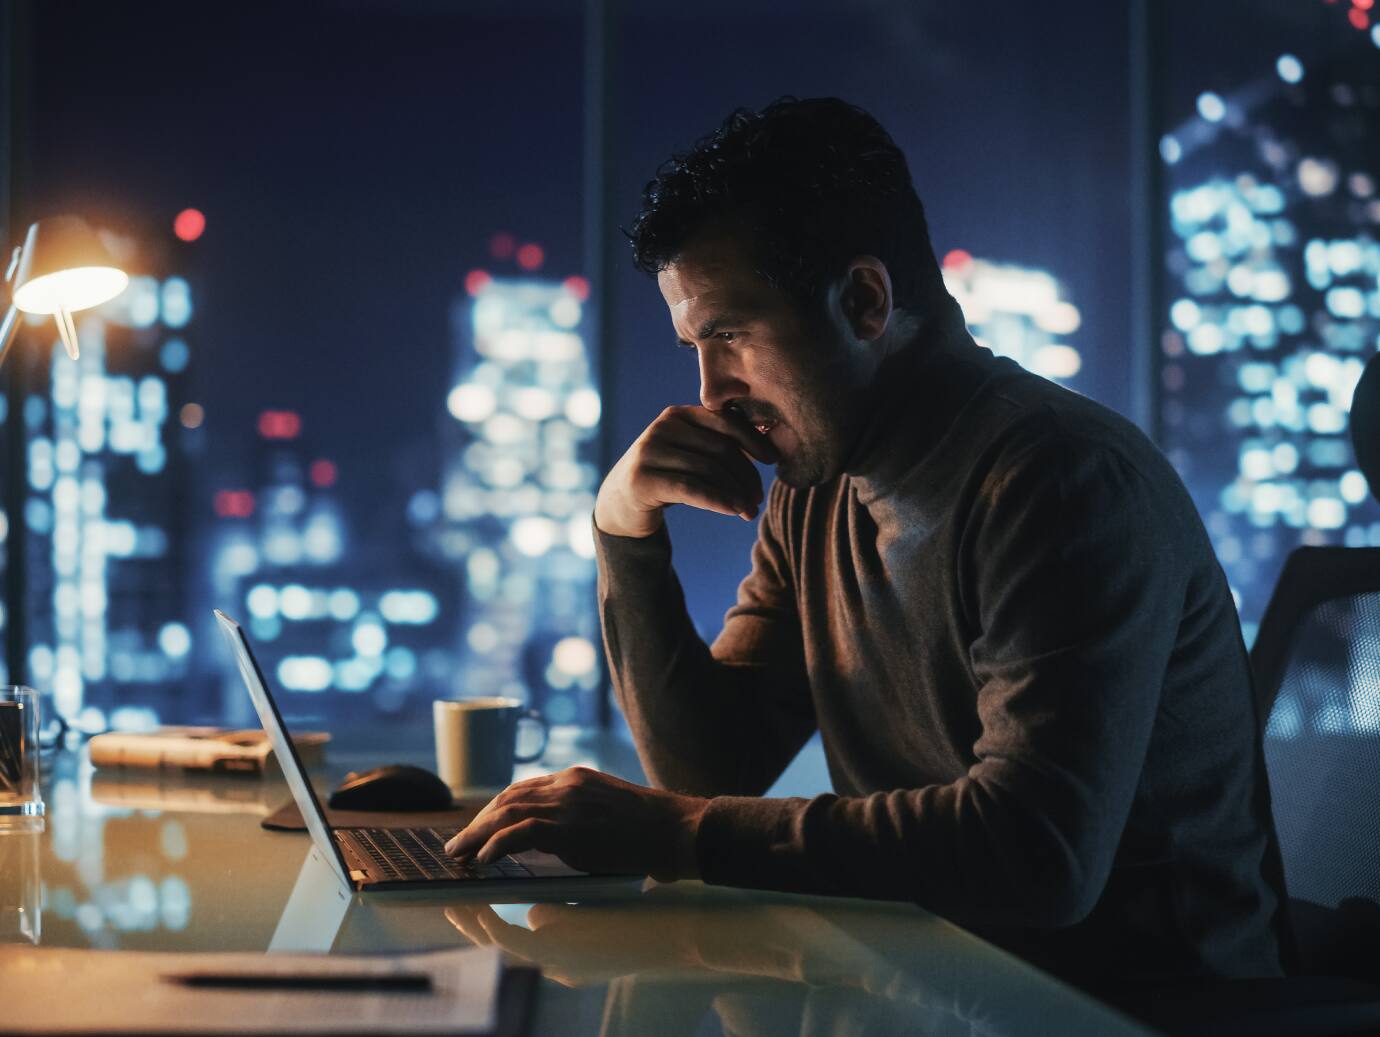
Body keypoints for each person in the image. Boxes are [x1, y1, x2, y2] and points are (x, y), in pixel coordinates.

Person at [447, 97, 1288, 985]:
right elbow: (709, 765)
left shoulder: (1060, 482)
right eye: (696, 345)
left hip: (1126, 1006)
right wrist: (623, 528)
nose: (710, 390)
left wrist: (680, 833)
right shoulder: (819, 491)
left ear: (864, 300)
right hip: (926, 979)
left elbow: (1038, 855)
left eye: (730, 335)